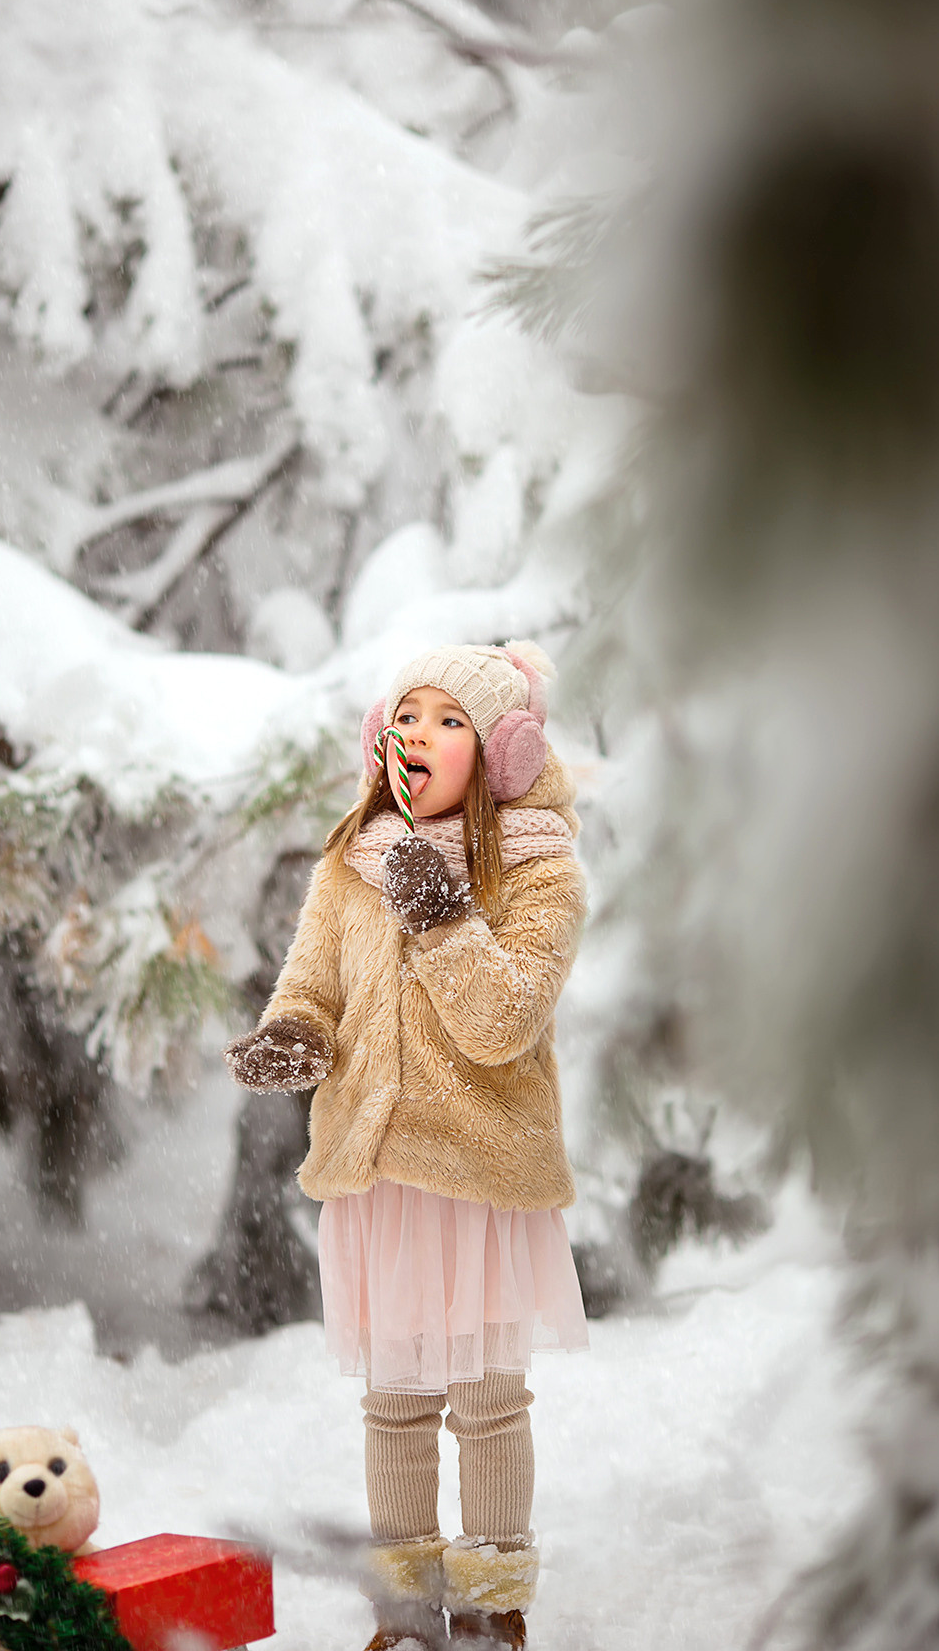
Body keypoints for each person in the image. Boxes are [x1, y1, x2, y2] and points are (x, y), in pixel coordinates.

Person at [225, 641, 589, 1651]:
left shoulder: (539, 874)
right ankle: (402, 1614)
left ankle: (492, 1602)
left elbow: (502, 1022)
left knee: (484, 1396)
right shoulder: (354, 861)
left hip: (477, 1177)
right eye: (407, 713)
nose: (416, 733)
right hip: (379, 1176)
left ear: (502, 754)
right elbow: (313, 986)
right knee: (394, 1400)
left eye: (448, 719)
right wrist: (296, 1035)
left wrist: (444, 918)